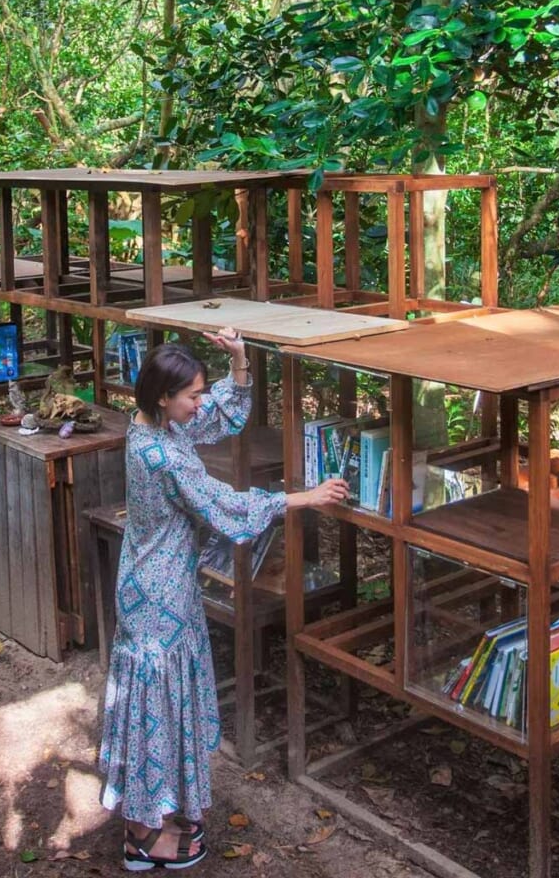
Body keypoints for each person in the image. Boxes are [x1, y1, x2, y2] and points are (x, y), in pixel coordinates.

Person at [98, 327, 349, 871]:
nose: (200, 402)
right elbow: (224, 506)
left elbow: (220, 415)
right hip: (157, 594)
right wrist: (304, 496)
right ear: (164, 397)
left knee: (157, 705)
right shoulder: (163, 454)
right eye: (192, 394)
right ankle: (142, 833)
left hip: (155, 582)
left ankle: (157, 811)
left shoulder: (153, 426)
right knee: (153, 709)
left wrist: (239, 361)